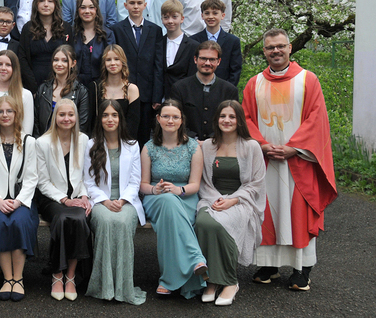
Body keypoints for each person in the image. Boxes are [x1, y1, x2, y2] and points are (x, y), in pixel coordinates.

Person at [242, 29, 337, 291]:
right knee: (267, 212)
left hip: (299, 162)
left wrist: (293, 148)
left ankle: (302, 269)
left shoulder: (308, 80)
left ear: (290, 48)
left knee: (298, 212)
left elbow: (316, 118)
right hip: (266, 160)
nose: (276, 51)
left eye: (280, 46)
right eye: (270, 47)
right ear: (264, 51)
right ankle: (269, 265)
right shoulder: (254, 84)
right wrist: (262, 145)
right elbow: (246, 118)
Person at [196, 101, 266, 306]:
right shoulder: (208, 146)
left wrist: (233, 200)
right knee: (203, 222)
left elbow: (257, 182)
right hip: (212, 198)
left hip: (240, 200)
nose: (227, 120)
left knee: (222, 224)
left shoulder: (251, 146)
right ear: (216, 119)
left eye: (232, 117)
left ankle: (229, 281)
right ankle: (212, 280)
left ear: (239, 120)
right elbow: (204, 181)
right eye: (223, 116)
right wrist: (217, 199)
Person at [139, 99, 207, 298]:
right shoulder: (149, 148)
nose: (170, 120)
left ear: (181, 120)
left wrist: (179, 190)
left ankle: (168, 280)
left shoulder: (193, 147)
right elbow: (143, 185)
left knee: (171, 216)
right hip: (156, 198)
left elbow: (195, 184)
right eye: (166, 116)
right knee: (168, 202)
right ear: (158, 119)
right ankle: (195, 259)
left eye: (175, 117)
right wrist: (156, 189)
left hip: (186, 196)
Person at [83, 99, 147, 305]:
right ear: (99, 119)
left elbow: (135, 181)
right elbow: (88, 182)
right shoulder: (91, 145)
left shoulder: (132, 146)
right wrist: (104, 201)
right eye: (105, 115)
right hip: (100, 201)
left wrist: (122, 200)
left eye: (114, 115)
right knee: (106, 222)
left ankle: (122, 288)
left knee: (121, 222)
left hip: (126, 201)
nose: (109, 119)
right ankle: (104, 287)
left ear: (120, 119)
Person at [0, 96, 38, 301]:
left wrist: (19, 201)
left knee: (20, 221)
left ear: (16, 114)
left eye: (9, 111)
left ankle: (18, 278)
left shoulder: (29, 142)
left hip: (22, 198)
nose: (5, 115)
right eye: (0, 111)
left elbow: (32, 178)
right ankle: (7, 277)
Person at [35, 100, 91, 301]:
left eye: (70, 114)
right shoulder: (42, 143)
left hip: (77, 196)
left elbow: (87, 175)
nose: (66, 119)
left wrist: (84, 196)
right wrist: (65, 200)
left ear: (76, 117)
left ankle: (71, 275)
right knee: (62, 219)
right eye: (62, 115)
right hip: (51, 198)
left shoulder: (84, 140)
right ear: (55, 117)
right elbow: (42, 181)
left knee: (79, 218)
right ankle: (57, 274)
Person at [110, 0, 164, 148]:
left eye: (139, 3)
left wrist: (157, 96)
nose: (135, 6)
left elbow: (158, 64)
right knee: (125, 132)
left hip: (147, 93)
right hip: (124, 91)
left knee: (144, 135)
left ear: (145, 5)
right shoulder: (117, 30)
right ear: (125, 5)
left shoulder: (155, 30)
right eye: (132, 3)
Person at [170, 41, 239, 141]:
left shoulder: (230, 90)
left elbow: (233, 121)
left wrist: (211, 141)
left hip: (219, 143)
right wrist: (193, 140)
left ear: (218, 61)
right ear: (195, 59)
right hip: (185, 143)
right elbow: (174, 119)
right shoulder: (179, 88)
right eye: (203, 58)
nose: (207, 63)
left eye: (212, 59)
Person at [18, 0, 74, 92]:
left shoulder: (66, 28)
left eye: (50, 1)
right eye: (42, 1)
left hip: (60, 84)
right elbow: (22, 58)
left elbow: (71, 57)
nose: (46, 4)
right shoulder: (28, 28)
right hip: (32, 84)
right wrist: (33, 87)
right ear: (36, 4)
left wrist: (62, 84)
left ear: (56, 4)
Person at [33, 45, 89, 136]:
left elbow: (82, 125)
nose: (59, 64)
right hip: (44, 141)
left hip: (69, 141)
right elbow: (36, 122)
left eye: (64, 60)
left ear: (73, 63)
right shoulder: (43, 89)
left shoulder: (81, 91)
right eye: (56, 60)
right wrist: (39, 141)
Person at [88, 45, 141, 137]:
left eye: (116, 59)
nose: (112, 63)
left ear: (123, 62)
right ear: (104, 63)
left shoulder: (132, 90)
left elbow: (133, 125)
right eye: (108, 60)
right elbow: (91, 122)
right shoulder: (95, 87)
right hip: (99, 140)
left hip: (124, 141)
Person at [190, 0, 242, 86]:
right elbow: (191, 68)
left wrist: (228, 89)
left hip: (224, 88)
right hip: (198, 87)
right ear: (202, 16)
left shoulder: (233, 41)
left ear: (222, 15)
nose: (211, 16)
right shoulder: (193, 40)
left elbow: (235, 70)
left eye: (215, 13)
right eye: (207, 13)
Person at [73, 0, 116, 87]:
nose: (87, 11)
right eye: (83, 7)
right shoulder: (72, 34)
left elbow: (112, 62)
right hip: (74, 85)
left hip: (101, 85)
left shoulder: (107, 34)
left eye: (91, 7)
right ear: (78, 10)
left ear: (96, 10)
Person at [161, 0, 198, 99]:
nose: (170, 21)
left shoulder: (193, 46)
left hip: (183, 96)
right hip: (161, 97)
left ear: (182, 19)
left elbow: (192, 75)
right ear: (162, 19)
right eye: (166, 17)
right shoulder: (158, 43)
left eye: (174, 17)